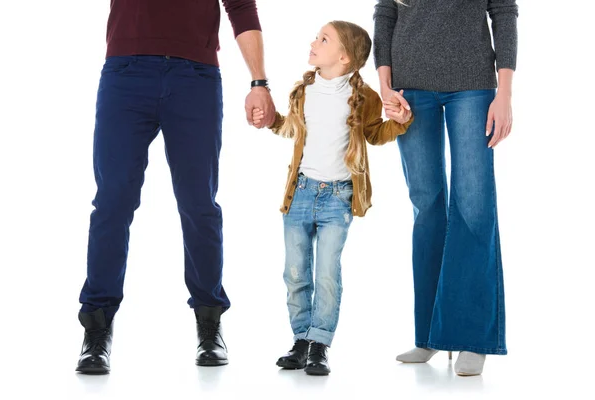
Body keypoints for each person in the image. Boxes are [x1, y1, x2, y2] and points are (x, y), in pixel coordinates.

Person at [76, 0, 276, 374]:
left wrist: (259, 82)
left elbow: (242, 8)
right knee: (113, 202)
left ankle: (209, 324)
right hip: (127, 71)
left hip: (195, 77)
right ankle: (96, 329)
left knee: (199, 203)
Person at [252, 21, 413, 375]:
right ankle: (301, 340)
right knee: (295, 273)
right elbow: (290, 128)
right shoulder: (303, 91)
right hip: (300, 193)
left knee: (326, 272)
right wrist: (270, 120)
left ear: (343, 57)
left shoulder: (364, 97)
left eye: (323, 39)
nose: (314, 42)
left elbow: (375, 134)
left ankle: (319, 344)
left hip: (338, 199)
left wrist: (399, 122)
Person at [373, 0, 518, 376]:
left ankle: (471, 336)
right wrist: (386, 87)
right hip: (410, 88)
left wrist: (505, 93)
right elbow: (385, 13)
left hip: (472, 84)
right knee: (427, 206)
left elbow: (504, 11)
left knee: (473, 205)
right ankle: (430, 335)